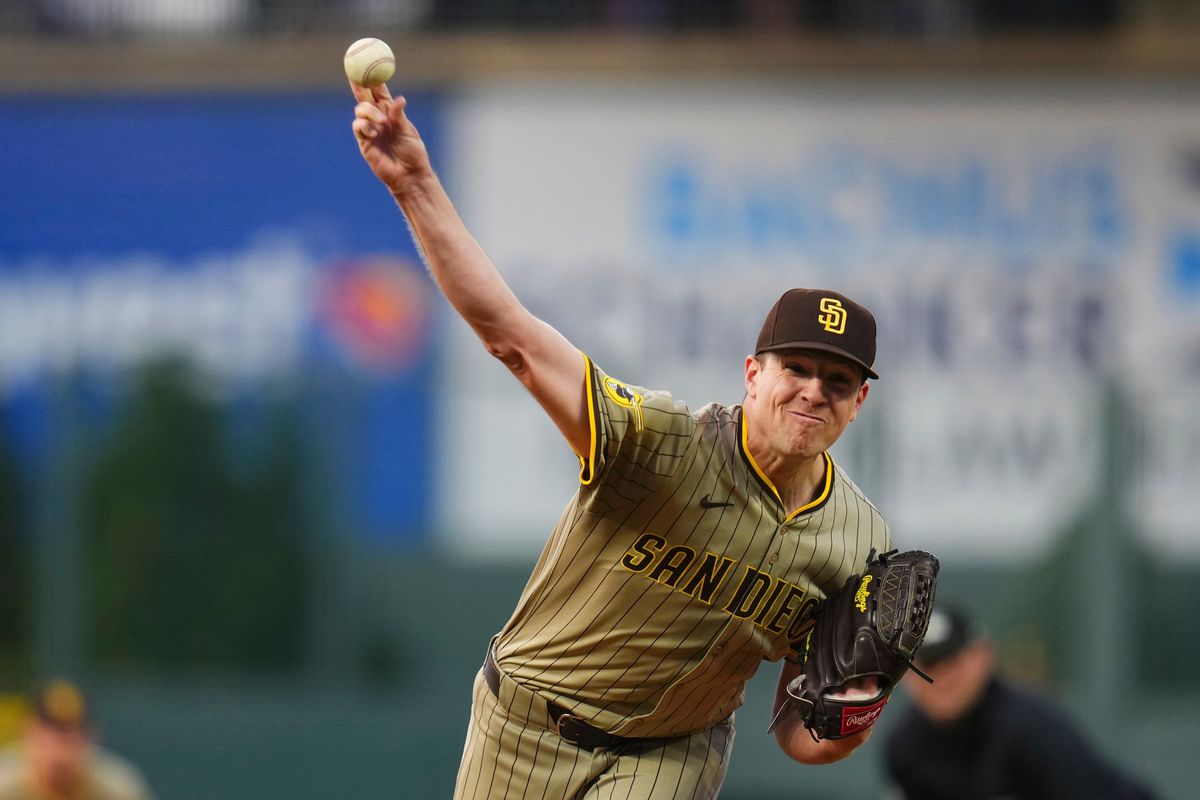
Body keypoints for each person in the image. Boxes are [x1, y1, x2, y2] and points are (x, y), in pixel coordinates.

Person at [350, 82, 895, 799]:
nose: (814, 391)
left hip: (673, 752)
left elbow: (800, 736)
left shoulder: (859, 545)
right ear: (752, 374)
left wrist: (853, 713)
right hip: (525, 728)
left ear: (858, 403)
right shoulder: (659, 442)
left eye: (838, 380)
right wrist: (415, 185)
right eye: (796, 368)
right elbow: (513, 338)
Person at [882, 604, 1159, 800]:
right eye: (928, 664)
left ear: (982, 657)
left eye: (952, 660)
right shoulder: (905, 746)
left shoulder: (1031, 729)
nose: (941, 677)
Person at [0, 679, 154, 800]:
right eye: (51, 732)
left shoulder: (117, 787)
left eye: (70, 735)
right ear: (29, 732)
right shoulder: (6, 781)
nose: (59, 747)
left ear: (91, 736)